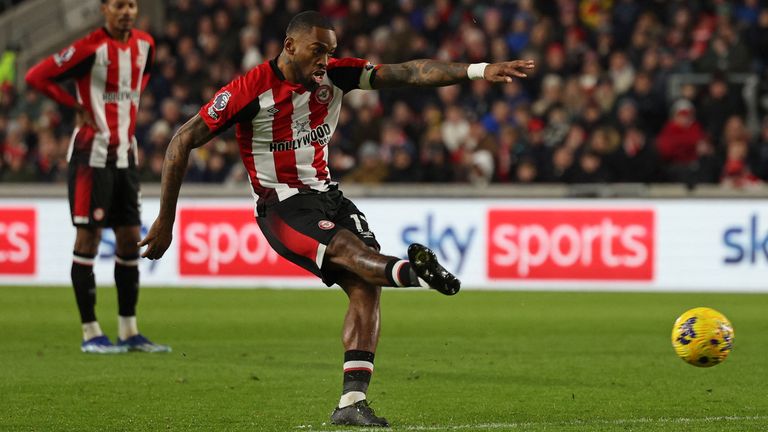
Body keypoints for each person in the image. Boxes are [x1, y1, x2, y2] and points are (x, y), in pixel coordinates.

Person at [139, 11, 533, 427]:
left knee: (366, 284)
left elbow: (411, 72)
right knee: (350, 253)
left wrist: (478, 69)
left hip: (330, 196)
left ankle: (351, 403)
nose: (325, 60)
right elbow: (181, 140)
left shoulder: (336, 77)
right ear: (290, 46)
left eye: (331, 52)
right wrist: (166, 219)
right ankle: (415, 274)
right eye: (317, 50)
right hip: (285, 207)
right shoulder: (249, 90)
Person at [25, 0, 169, 354]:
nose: (127, 12)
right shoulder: (89, 47)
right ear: (104, 9)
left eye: (132, 5)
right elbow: (35, 76)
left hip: (126, 155)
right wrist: (74, 105)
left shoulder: (145, 45)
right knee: (88, 241)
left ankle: (129, 331)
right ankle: (91, 333)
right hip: (91, 157)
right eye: (119, 5)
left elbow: (142, 76)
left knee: (128, 239)